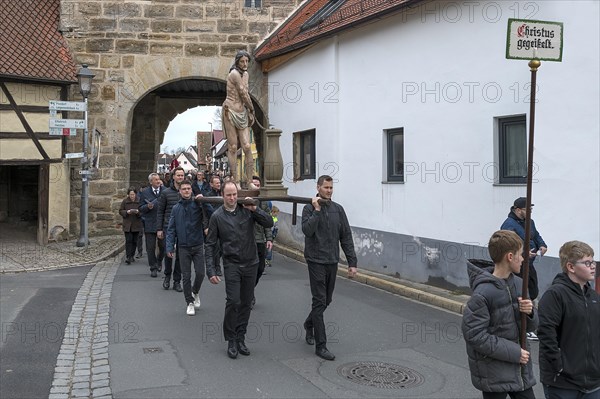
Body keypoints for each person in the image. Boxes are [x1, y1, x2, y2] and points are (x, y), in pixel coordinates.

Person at [462, 230, 537, 399]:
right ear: (510, 257)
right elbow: (474, 335)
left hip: (520, 371)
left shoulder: (519, 284)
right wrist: (515, 352)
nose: (524, 259)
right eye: (521, 254)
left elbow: (531, 327)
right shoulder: (483, 292)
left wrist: (530, 312)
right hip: (494, 372)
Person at [205, 181, 273, 359]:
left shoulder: (247, 209)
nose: (232, 198)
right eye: (228, 195)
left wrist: (255, 209)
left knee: (246, 303)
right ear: (222, 195)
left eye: (234, 194)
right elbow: (210, 244)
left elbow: (268, 222)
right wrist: (211, 270)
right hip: (232, 264)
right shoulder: (217, 217)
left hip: (251, 263)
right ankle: (231, 339)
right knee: (233, 301)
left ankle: (241, 337)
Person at [301, 175, 358, 361]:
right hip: (315, 260)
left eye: (331, 188)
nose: (329, 190)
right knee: (319, 301)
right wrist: (316, 210)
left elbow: (346, 237)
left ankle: (309, 324)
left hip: (332, 260)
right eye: (326, 187)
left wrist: (352, 263)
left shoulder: (338, 210)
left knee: (327, 300)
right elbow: (307, 231)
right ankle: (321, 345)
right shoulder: (308, 207)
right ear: (318, 188)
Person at [538, 241, 600, 399]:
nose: (593, 266)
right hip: (563, 384)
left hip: (593, 383)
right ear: (571, 267)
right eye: (587, 262)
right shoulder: (555, 295)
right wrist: (559, 366)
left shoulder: (593, 297)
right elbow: (546, 334)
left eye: (593, 261)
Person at [500, 197, 548, 339]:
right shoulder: (508, 225)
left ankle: (529, 322)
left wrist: (542, 245)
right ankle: (523, 326)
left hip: (529, 264)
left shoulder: (530, 222)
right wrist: (523, 252)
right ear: (518, 210)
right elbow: (509, 244)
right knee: (521, 296)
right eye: (528, 210)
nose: (530, 212)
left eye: (531, 210)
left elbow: (536, 235)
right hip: (517, 266)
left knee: (532, 291)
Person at [165, 180, 208, 316]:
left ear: (192, 190)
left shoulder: (197, 204)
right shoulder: (176, 208)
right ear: (180, 191)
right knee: (186, 276)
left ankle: (195, 291)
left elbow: (211, 213)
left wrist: (204, 201)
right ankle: (189, 302)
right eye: (183, 189)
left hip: (197, 244)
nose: (186, 191)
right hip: (183, 247)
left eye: (188, 188)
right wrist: (169, 247)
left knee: (201, 273)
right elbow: (171, 229)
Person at [222, 50, 257, 190]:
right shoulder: (234, 74)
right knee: (233, 147)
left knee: (247, 146)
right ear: (237, 62)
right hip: (230, 110)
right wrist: (252, 108)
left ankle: (249, 181)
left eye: (247, 61)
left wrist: (248, 110)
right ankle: (235, 180)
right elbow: (242, 92)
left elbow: (246, 92)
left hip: (241, 111)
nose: (245, 64)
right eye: (242, 61)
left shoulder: (246, 74)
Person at [156, 167, 186, 292]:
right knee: (168, 254)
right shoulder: (166, 193)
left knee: (180, 255)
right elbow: (160, 211)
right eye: (178, 175)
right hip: (168, 227)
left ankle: (177, 280)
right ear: (173, 177)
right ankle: (167, 277)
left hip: (183, 228)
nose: (180, 177)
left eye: (182, 175)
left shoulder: (187, 192)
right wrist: (159, 229)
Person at [250, 176, 273, 308]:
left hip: (260, 240)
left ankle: (249, 288)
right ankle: (249, 294)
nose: (256, 187)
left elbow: (268, 222)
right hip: (248, 241)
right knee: (250, 269)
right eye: (254, 184)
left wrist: (269, 238)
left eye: (258, 185)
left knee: (260, 268)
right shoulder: (244, 201)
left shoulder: (263, 202)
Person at [139, 173, 166, 278]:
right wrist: (147, 207)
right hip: (150, 223)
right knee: (150, 248)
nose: (158, 181)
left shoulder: (165, 191)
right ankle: (153, 267)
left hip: (162, 223)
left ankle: (159, 261)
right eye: (155, 180)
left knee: (163, 246)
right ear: (151, 182)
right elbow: (140, 208)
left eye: (159, 179)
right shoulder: (145, 193)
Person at [119, 187, 143, 265]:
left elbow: (143, 211)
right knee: (128, 240)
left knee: (134, 241)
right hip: (127, 224)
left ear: (135, 194)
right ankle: (128, 256)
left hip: (136, 224)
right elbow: (120, 211)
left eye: (133, 194)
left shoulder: (139, 201)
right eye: (130, 194)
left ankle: (132, 255)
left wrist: (138, 212)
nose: (132, 196)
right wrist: (127, 212)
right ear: (128, 195)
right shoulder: (125, 201)